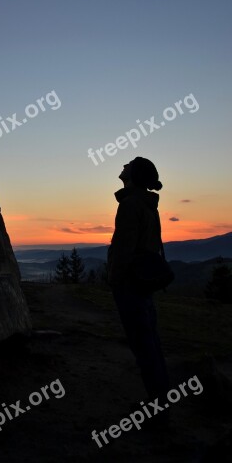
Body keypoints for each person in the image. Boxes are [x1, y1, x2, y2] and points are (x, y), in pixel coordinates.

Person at [107, 157, 170, 426]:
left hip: (131, 283)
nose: (122, 165)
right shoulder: (146, 204)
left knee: (143, 344)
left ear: (133, 174)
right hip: (143, 281)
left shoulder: (131, 204)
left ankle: (158, 411)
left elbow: (124, 250)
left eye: (128, 164)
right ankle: (161, 402)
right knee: (150, 342)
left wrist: (115, 279)